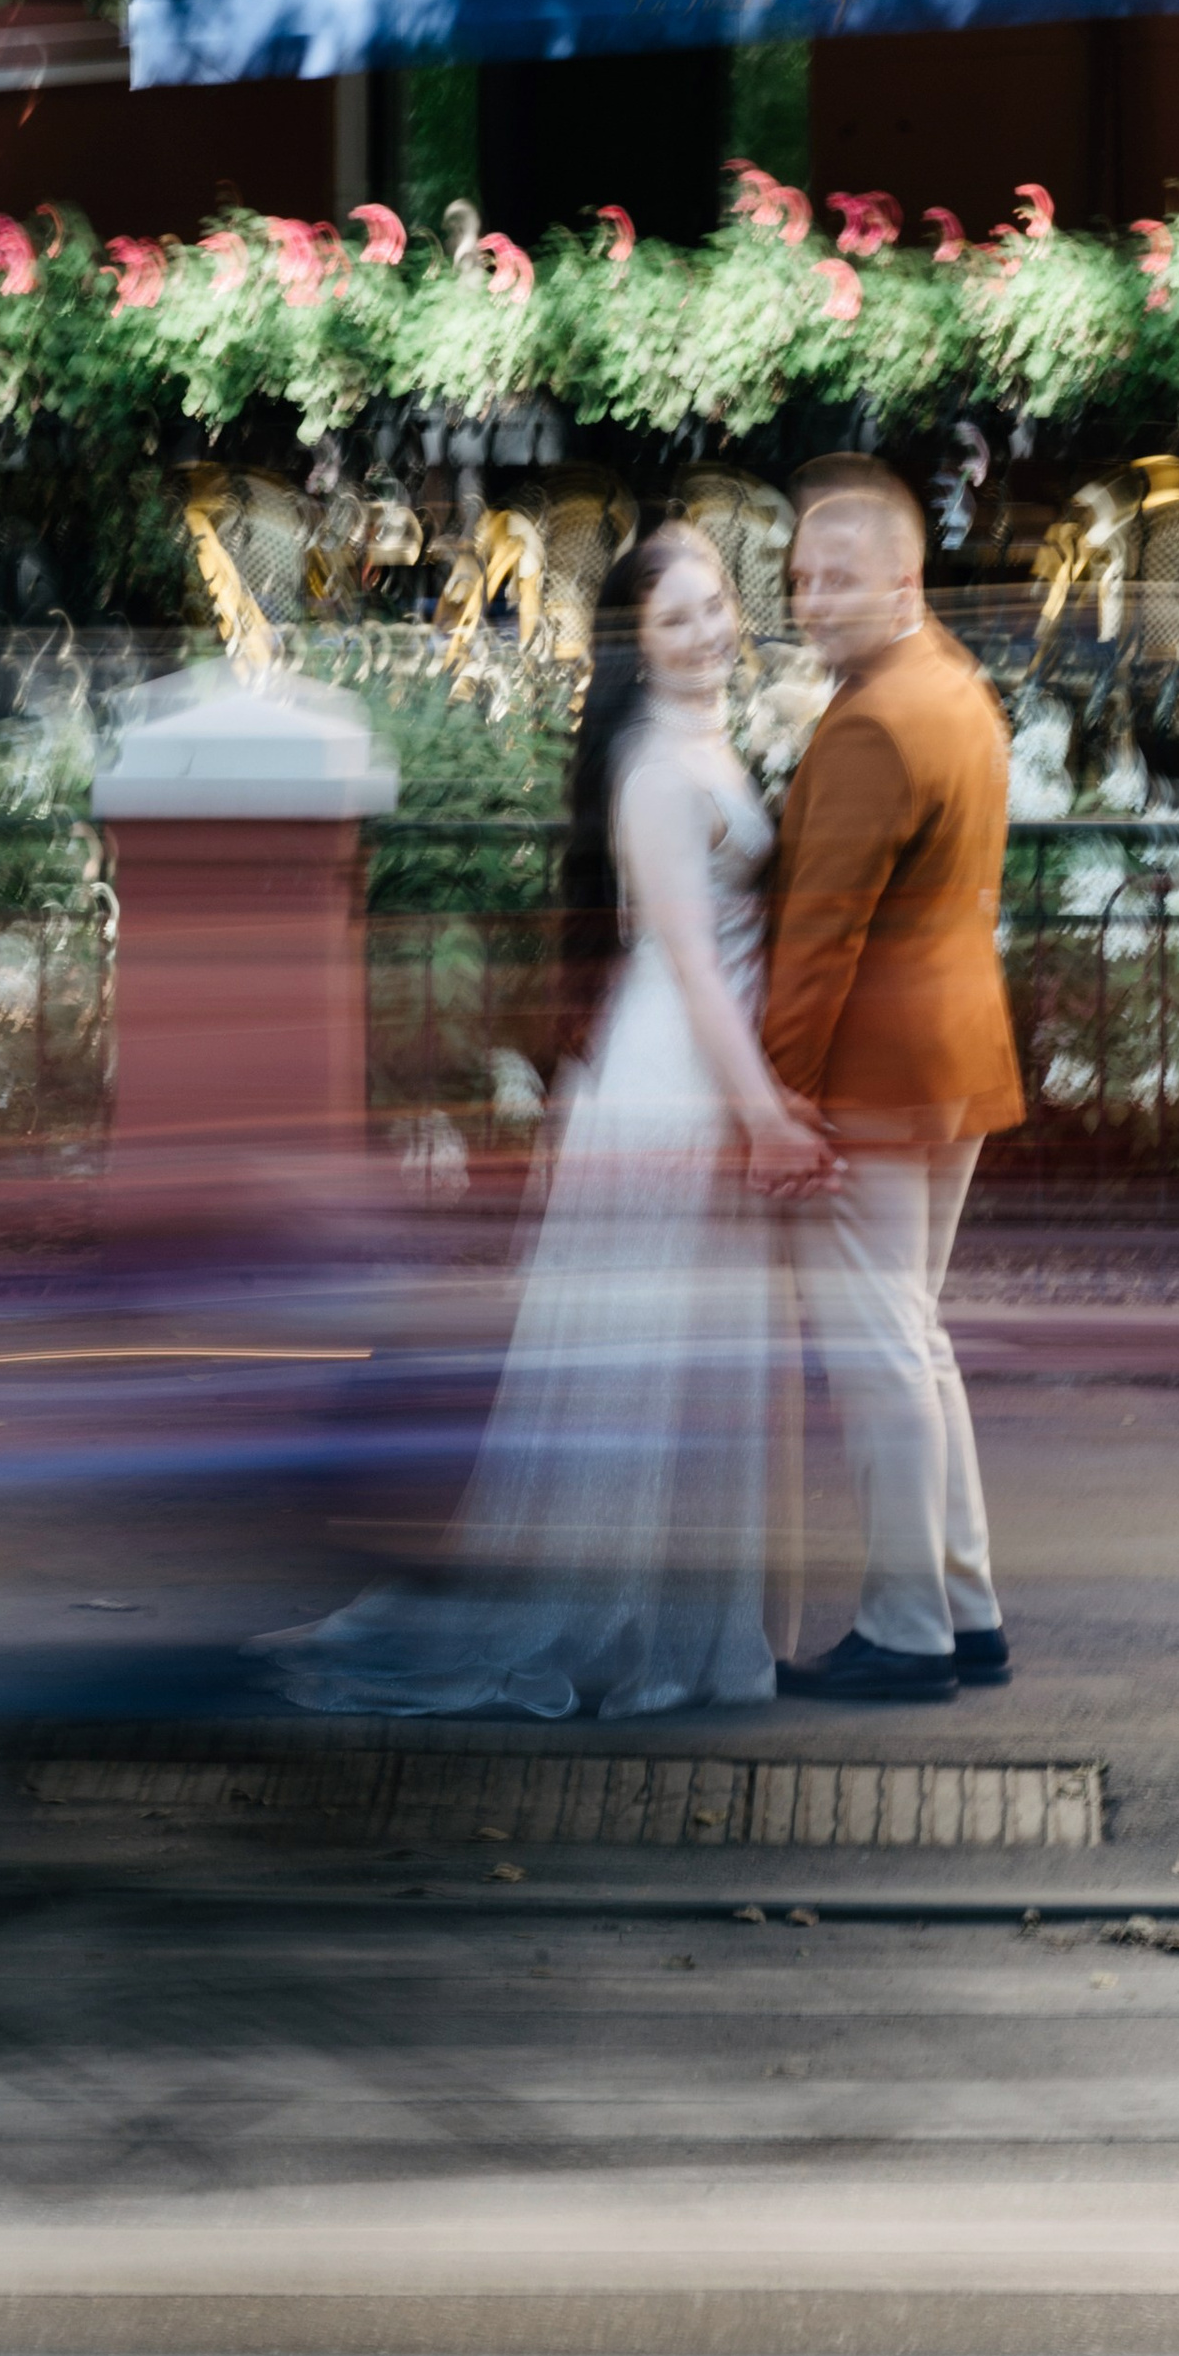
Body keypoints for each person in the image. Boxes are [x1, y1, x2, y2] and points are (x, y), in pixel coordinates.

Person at [260, 520, 835, 1719]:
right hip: (673, 1086)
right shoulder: (650, 774)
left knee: (693, 1364)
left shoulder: (709, 743)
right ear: (637, 642)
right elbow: (685, 963)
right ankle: (631, 1623)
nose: (708, 631)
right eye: (676, 618)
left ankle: (699, 1623)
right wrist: (767, 1117)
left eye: (716, 604)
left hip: (703, 1072)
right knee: (649, 1369)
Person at [761, 470, 1024, 1702]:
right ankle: (963, 1606)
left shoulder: (869, 723)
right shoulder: (957, 688)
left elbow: (818, 942)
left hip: (867, 1077)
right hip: (949, 1064)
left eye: (838, 579)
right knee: (911, 1342)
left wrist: (778, 1101)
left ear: (903, 580)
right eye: (802, 580)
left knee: (876, 1356)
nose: (811, 602)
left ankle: (908, 1626)